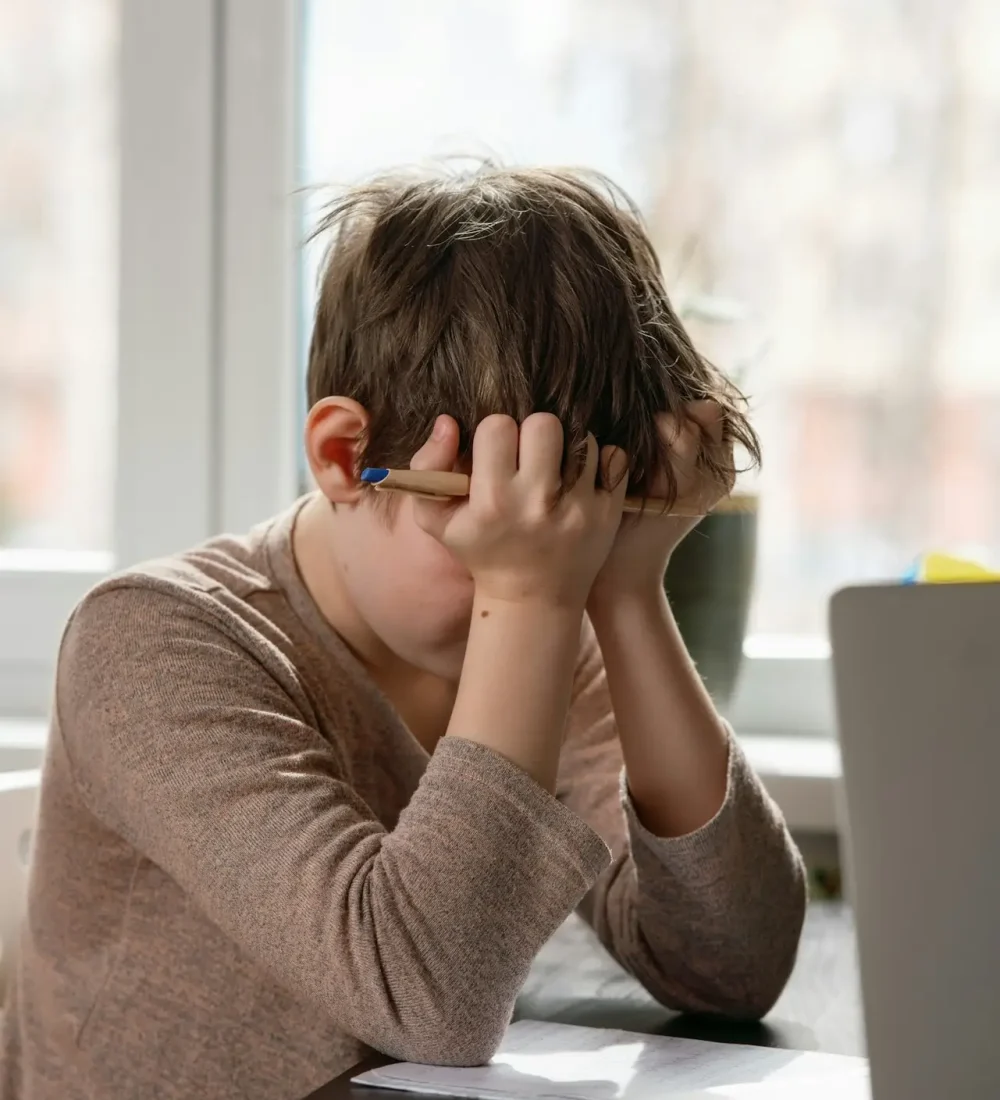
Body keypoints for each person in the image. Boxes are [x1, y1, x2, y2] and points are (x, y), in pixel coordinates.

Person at [0, 164, 806, 1100]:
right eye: (491, 528)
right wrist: (535, 597)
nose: (550, 566)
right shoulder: (152, 644)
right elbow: (428, 1003)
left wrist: (628, 592)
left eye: (591, 528)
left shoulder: (554, 613)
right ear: (348, 457)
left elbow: (732, 965)